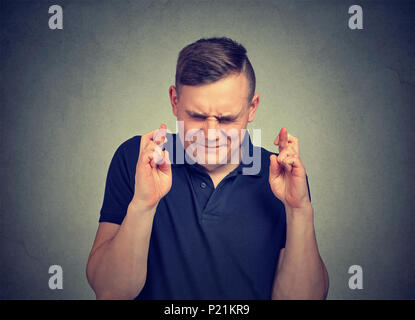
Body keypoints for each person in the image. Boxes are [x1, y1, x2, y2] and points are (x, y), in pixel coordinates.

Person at [86, 37, 329, 300]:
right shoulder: (136, 158)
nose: (210, 134)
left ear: (252, 108)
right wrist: (143, 204)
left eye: (226, 119)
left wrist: (299, 210)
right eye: (198, 116)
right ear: (175, 101)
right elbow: (110, 291)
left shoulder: (282, 174)